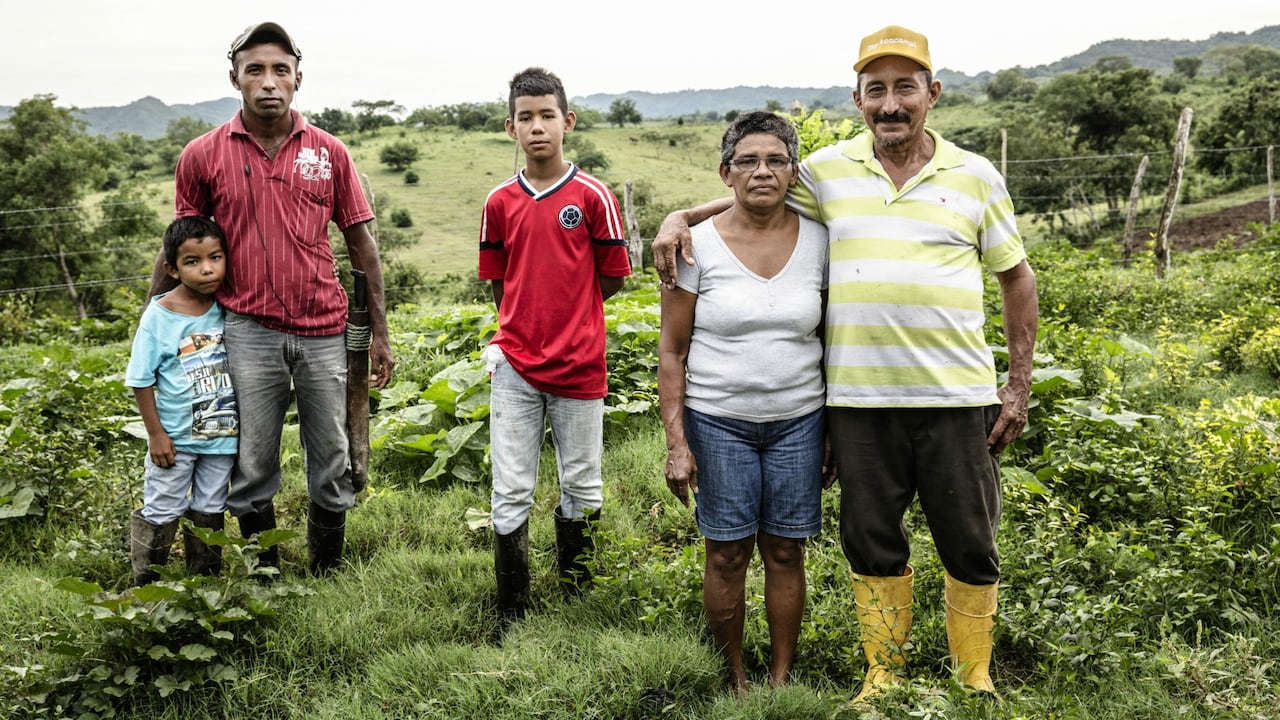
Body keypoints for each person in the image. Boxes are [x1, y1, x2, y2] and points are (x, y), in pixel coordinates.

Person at [652, 25, 1039, 701]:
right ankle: (883, 676)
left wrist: (1016, 387)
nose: (891, 104)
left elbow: (1017, 279)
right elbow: (755, 191)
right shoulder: (830, 170)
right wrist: (680, 215)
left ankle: (973, 674)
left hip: (956, 397)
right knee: (870, 539)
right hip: (858, 403)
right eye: (877, 89)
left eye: (905, 88)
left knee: (970, 540)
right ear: (858, 98)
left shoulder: (975, 175)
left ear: (933, 94)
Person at [148, 22, 393, 577]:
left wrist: (378, 333)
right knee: (251, 460)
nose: (268, 82)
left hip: (325, 331)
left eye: (280, 70)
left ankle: (326, 570)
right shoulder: (203, 155)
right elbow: (179, 246)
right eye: (254, 69)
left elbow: (362, 246)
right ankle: (266, 576)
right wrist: (153, 325)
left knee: (331, 455)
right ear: (234, 77)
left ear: (298, 79)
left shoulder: (329, 152)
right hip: (246, 332)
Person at [657, 111, 833, 691]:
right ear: (725, 172)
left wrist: (833, 429)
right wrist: (677, 443)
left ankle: (781, 677)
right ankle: (734, 677)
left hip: (799, 421)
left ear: (793, 170)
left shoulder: (821, 241)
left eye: (776, 160)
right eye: (748, 161)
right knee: (728, 554)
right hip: (719, 422)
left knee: (786, 550)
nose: (763, 171)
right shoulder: (692, 246)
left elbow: (831, 340)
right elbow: (673, 352)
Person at [478, 67, 632, 629]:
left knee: (582, 481)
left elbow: (611, 277)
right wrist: (523, 325)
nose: (537, 127)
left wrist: (571, 316)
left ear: (567, 122)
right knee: (511, 485)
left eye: (547, 116)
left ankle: (579, 596)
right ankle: (511, 609)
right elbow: (498, 280)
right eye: (525, 118)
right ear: (510, 127)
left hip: (581, 364)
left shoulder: (593, 196)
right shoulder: (499, 202)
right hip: (515, 363)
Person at [127, 217, 237, 585]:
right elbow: (141, 380)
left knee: (210, 508)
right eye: (192, 261)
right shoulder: (159, 317)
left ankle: (203, 585)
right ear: (171, 269)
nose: (207, 269)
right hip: (174, 441)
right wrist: (156, 436)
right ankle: (148, 586)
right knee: (162, 509)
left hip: (222, 438)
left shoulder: (229, 309)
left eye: (215, 257)